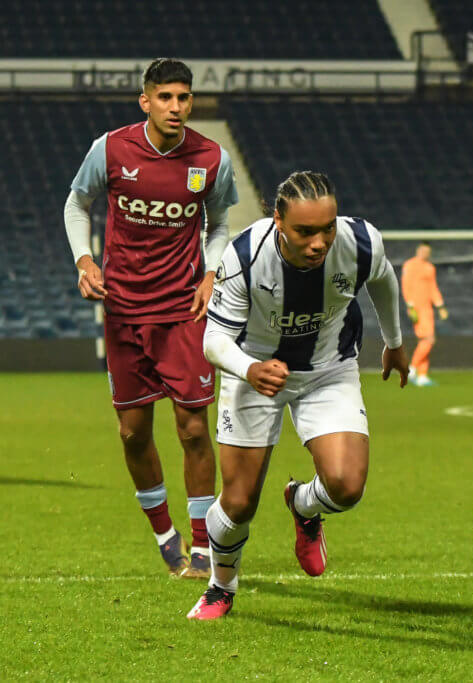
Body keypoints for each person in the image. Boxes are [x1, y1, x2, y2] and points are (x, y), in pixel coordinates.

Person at [187, 171, 408, 620]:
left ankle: (303, 505)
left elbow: (382, 279)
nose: (319, 242)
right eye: (305, 231)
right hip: (253, 373)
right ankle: (220, 586)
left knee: (346, 487)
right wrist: (250, 368)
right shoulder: (245, 256)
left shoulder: (360, 241)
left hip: (328, 370)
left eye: (326, 228)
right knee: (238, 503)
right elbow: (213, 341)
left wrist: (394, 341)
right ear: (278, 223)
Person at [64, 58, 238, 578]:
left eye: (184, 98)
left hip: (182, 311)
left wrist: (211, 273)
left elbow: (221, 220)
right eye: (165, 97)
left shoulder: (211, 158)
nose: (176, 107)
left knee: (192, 429)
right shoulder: (112, 148)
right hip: (123, 310)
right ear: (146, 101)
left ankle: (205, 545)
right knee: (133, 433)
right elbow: (78, 204)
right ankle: (166, 534)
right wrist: (84, 259)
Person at [401, 242, 448, 386]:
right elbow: (405, 285)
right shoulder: (410, 265)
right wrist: (410, 305)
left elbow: (433, 288)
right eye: (422, 250)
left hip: (428, 308)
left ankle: (422, 375)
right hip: (417, 308)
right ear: (417, 251)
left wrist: (440, 306)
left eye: (427, 251)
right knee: (429, 339)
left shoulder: (430, 268)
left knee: (424, 341)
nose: (424, 253)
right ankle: (412, 369)